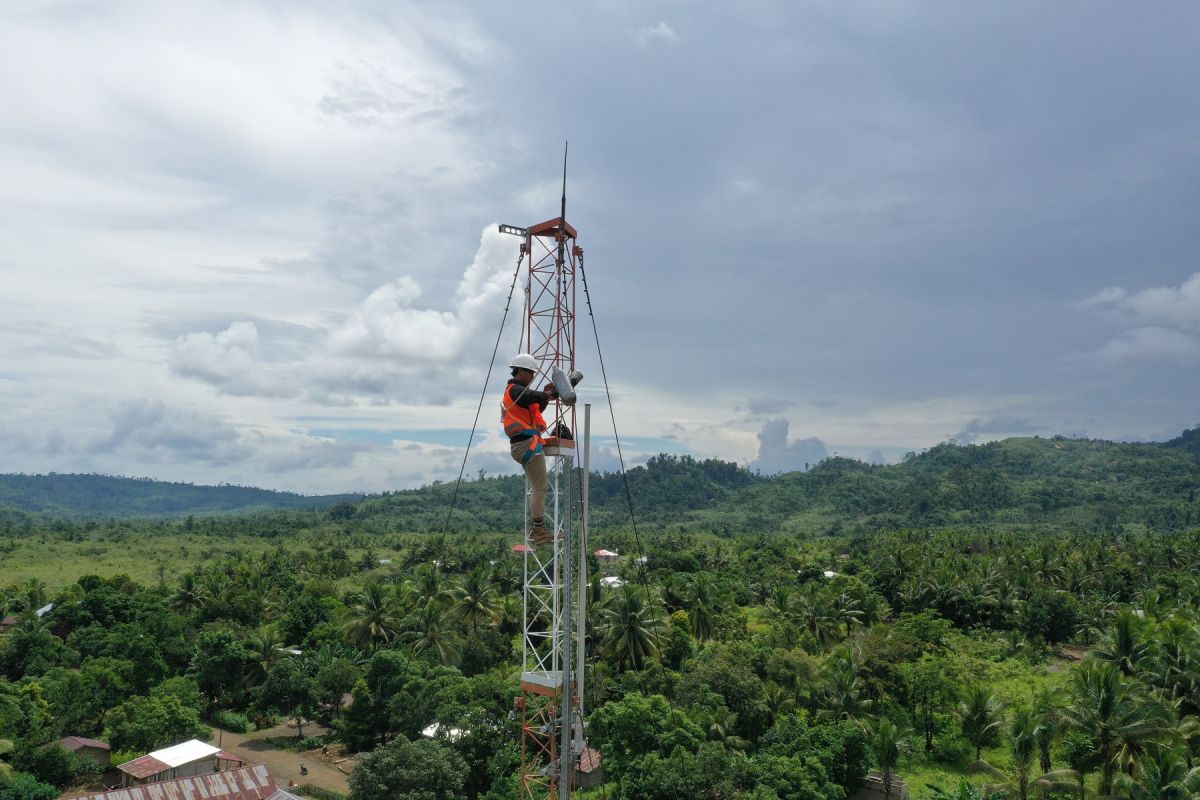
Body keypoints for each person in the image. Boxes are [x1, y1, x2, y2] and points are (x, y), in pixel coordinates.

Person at [501, 353, 560, 545]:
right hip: (527, 444)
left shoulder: (516, 395)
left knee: (538, 486)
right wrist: (548, 394)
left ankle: (538, 529)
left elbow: (535, 403)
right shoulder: (514, 390)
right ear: (521, 371)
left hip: (521, 445)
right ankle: (538, 530)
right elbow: (531, 396)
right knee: (540, 487)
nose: (533, 377)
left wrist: (546, 395)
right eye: (531, 373)